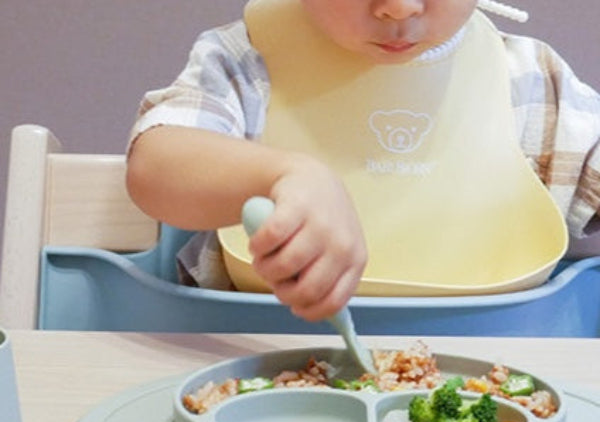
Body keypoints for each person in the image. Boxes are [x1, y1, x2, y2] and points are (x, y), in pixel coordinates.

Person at [125, 0, 600, 323]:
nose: (400, 7)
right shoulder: (247, 62)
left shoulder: (531, 80)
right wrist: (285, 175)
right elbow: (154, 168)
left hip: (504, 381)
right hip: (263, 366)